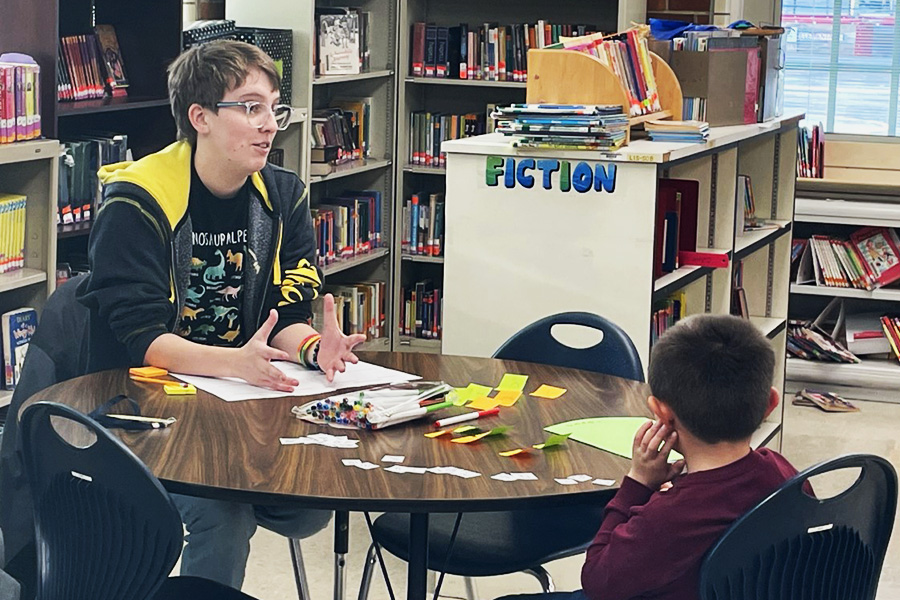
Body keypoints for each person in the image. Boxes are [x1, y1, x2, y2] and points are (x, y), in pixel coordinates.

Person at [71, 39, 365, 589]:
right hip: (142, 407)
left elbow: (286, 313)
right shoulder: (137, 200)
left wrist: (310, 347)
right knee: (222, 515)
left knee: (312, 502)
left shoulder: (284, 195)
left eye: (274, 107)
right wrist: (233, 363)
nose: (269, 124)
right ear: (199, 117)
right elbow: (142, 338)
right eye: (251, 107)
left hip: (239, 405)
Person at [499, 314, 802, 600]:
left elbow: (597, 581)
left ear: (661, 414)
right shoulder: (784, 474)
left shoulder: (670, 517)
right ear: (770, 404)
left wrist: (638, 483)